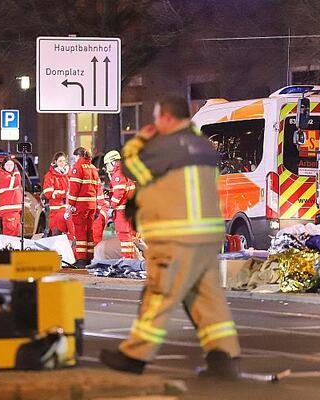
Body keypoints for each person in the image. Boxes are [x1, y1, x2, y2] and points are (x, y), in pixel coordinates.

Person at [100, 96, 240, 379]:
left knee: (157, 295)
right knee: (206, 299)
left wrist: (141, 140)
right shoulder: (201, 144)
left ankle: (134, 356)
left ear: (165, 118)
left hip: (176, 235)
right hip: (206, 235)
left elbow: (131, 168)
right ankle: (222, 357)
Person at [68, 147, 101, 268]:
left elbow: (74, 188)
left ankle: (81, 259)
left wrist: (71, 204)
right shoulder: (93, 168)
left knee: (80, 231)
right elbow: (97, 189)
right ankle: (88, 258)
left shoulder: (78, 167)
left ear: (78, 156)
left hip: (80, 205)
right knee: (89, 231)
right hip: (92, 204)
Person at [104, 150, 137, 259]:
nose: (107, 167)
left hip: (121, 211)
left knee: (124, 236)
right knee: (129, 236)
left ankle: (127, 259)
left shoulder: (118, 174)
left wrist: (111, 206)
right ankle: (130, 259)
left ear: (113, 162)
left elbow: (118, 192)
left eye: (107, 164)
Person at [42, 152, 74, 239]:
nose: (62, 163)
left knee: (71, 235)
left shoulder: (69, 174)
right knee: (56, 235)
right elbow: (48, 193)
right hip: (56, 209)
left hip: (68, 209)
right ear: (55, 162)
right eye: (60, 161)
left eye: (64, 161)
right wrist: (64, 194)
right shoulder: (50, 176)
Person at [0, 157, 23, 236]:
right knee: (10, 233)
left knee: (14, 232)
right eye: (8, 164)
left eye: (12, 164)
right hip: (9, 210)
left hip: (13, 210)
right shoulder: (3, 176)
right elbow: (17, 182)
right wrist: (17, 171)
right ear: (3, 166)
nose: (10, 166)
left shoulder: (8, 175)